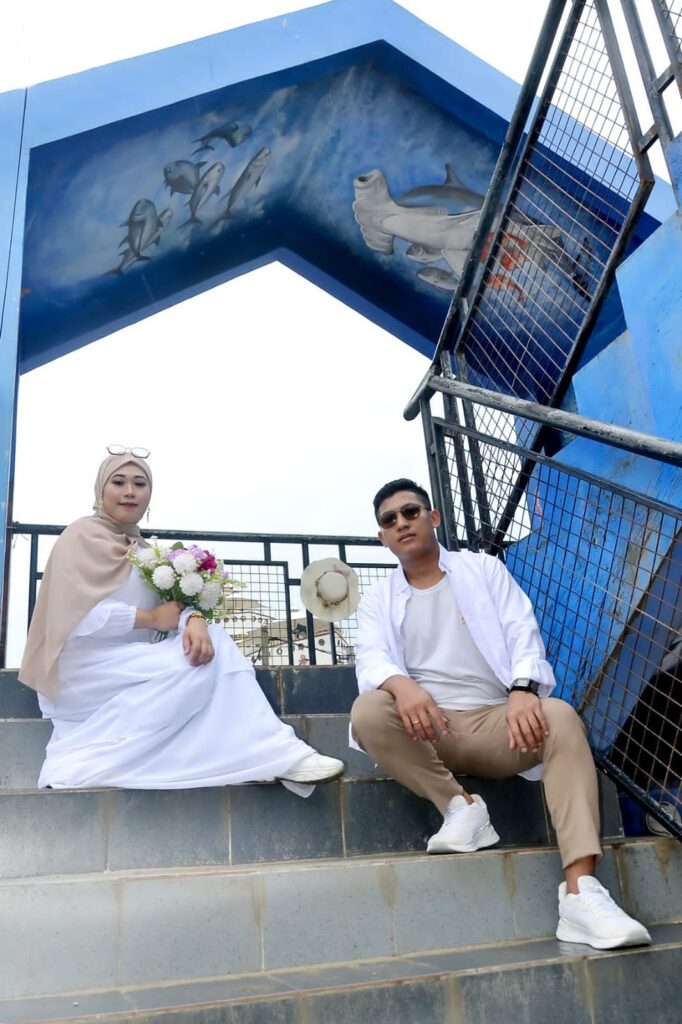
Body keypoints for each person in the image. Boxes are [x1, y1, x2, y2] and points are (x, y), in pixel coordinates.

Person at [351, 478, 651, 950]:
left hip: (497, 724)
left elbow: (520, 629)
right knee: (368, 710)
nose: (402, 523)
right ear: (382, 537)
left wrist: (523, 689)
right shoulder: (376, 599)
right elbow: (371, 658)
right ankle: (461, 807)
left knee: (560, 717)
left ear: (433, 517)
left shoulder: (482, 569)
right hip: (429, 731)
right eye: (390, 520)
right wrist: (402, 686)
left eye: (411, 512)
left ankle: (581, 893)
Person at [19, 450, 344, 791]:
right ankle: (277, 754)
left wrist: (193, 619)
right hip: (81, 670)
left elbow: (171, 607)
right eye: (119, 482)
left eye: (139, 483)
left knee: (211, 644)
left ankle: (269, 752)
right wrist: (150, 618)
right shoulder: (79, 537)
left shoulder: (145, 551)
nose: (129, 491)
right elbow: (74, 616)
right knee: (211, 661)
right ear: (101, 490)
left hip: (131, 664)